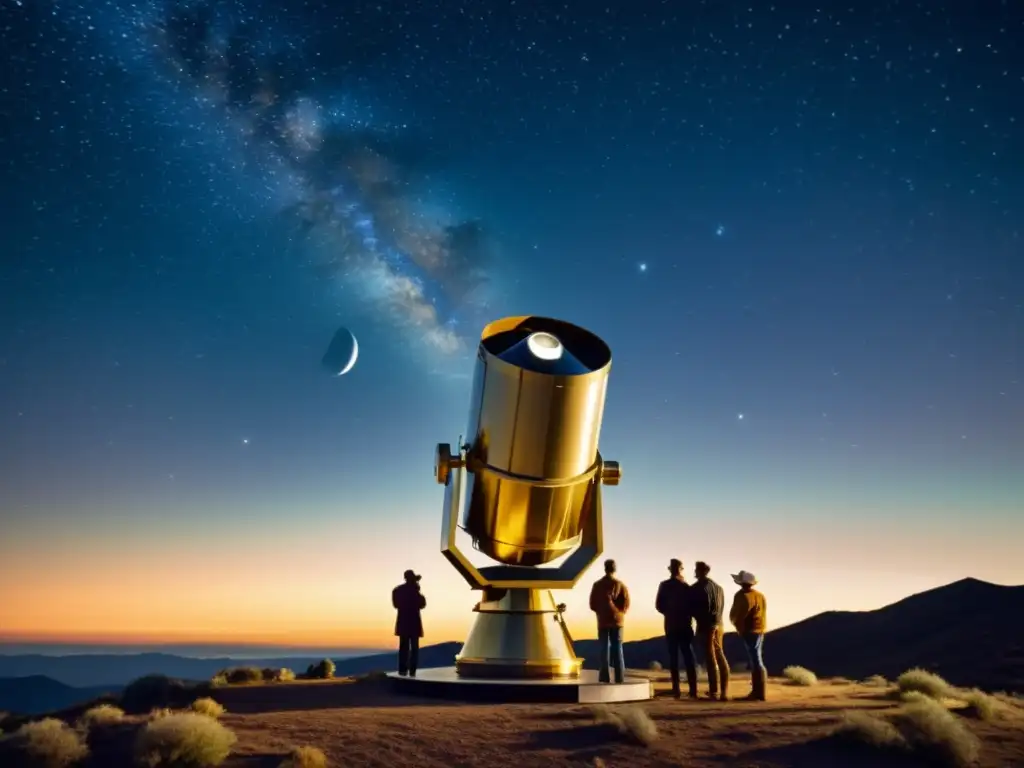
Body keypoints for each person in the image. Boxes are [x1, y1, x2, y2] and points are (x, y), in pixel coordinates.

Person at [655, 558, 698, 699]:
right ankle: (693, 690)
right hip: (685, 625)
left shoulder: (664, 585)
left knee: (674, 658)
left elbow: (658, 605)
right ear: (681, 569)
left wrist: (669, 612)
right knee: (688, 657)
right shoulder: (687, 587)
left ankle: (676, 689)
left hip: (671, 625)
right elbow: (693, 606)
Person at [691, 561, 730, 700]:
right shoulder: (719, 588)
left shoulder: (697, 588)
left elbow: (695, 609)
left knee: (710, 658)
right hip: (719, 624)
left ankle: (714, 691)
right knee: (720, 654)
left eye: (696, 570)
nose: (694, 572)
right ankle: (724, 690)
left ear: (701, 571)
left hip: (707, 625)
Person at [589, 558, 630, 683]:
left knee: (604, 649)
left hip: (602, 622)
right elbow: (626, 603)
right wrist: (618, 613)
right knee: (617, 648)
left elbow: (592, 604)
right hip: (617, 622)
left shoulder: (597, 585)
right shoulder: (620, 585)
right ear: (614, 569)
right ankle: (619, 677)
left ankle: (604, 677)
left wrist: (602, 612)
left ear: (605, 568)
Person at [729, 570, 768, 701]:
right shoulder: (760, 595)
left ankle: (758, 693)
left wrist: (739, 629)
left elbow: (738, 615)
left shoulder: (742, 596)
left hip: (749, 630)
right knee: (757, 660)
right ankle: (759, 692)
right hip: (760, 629)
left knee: (755, 660)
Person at [392, 569, 426, 677]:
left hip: (403, 623)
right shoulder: (414, 591)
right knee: (414, 649)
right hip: (414, 623)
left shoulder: (397, 590)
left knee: (404, 648)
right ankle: (412, 671)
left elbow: (396, 604)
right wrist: (416, 592)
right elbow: (422, 604)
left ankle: (402, 670)